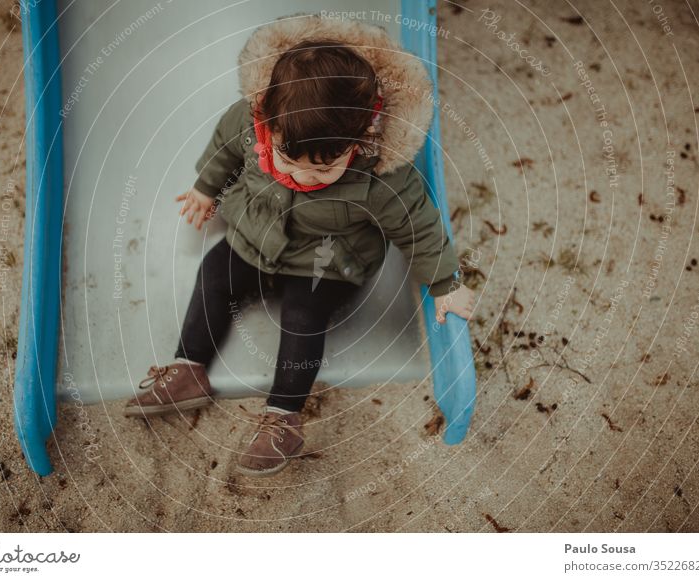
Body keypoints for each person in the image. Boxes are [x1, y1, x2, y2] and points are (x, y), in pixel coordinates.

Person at [124, 15, 476, 477]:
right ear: (267, 119)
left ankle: (283, 416)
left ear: (360, 139)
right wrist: (206, 189)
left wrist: (446, 283)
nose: (302, 177)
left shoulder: (380, 176)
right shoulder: (252, 125)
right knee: (214, 270)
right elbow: (223, 150)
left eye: (322, 170)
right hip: (256, 237)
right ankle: (189, 368)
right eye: (289, 161)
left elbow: (421, 227)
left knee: (303, 315)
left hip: (327, 263)